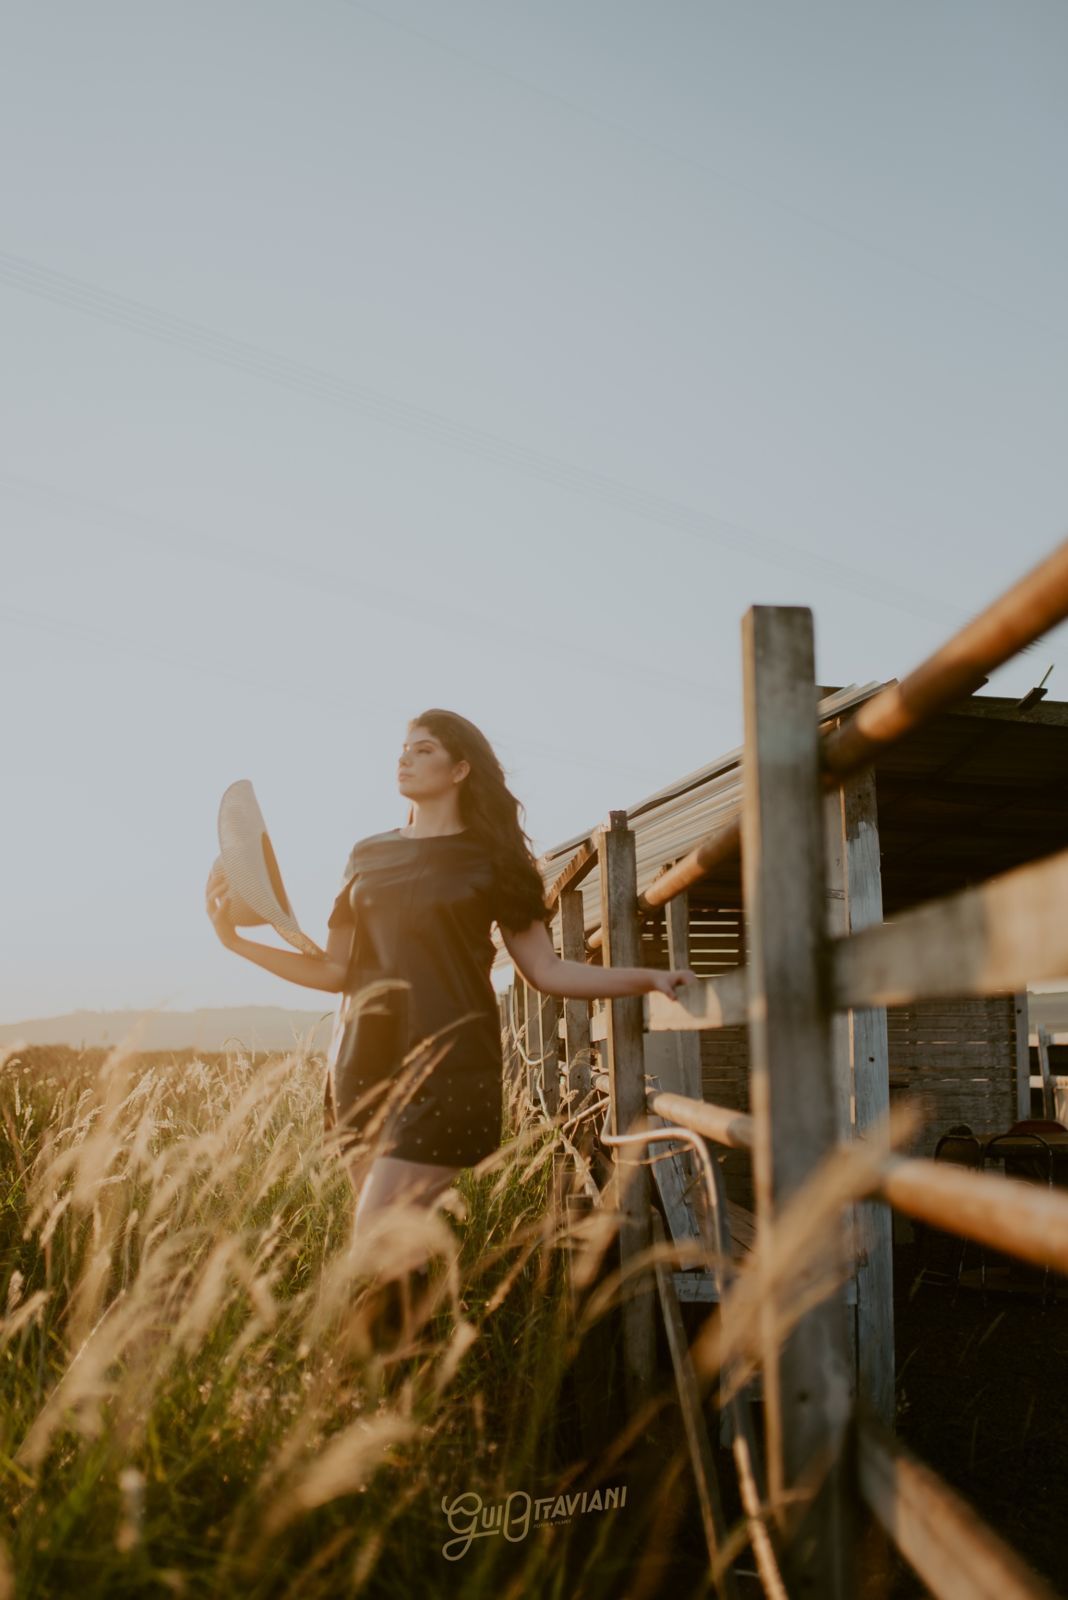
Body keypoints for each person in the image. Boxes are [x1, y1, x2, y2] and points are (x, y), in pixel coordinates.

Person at [205, 709, 697, 1233]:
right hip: (360, 1064)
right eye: (404, 747)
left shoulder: (494, 860)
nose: (405, 757)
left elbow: (546, 970)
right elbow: (333, 971)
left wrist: (647, 979)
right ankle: (432, 1312)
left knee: (377, 1232)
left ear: (460, 770)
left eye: (424, 750)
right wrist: (234, 943)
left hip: (449, 1067)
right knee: (389, 1248)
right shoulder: (366, 855)